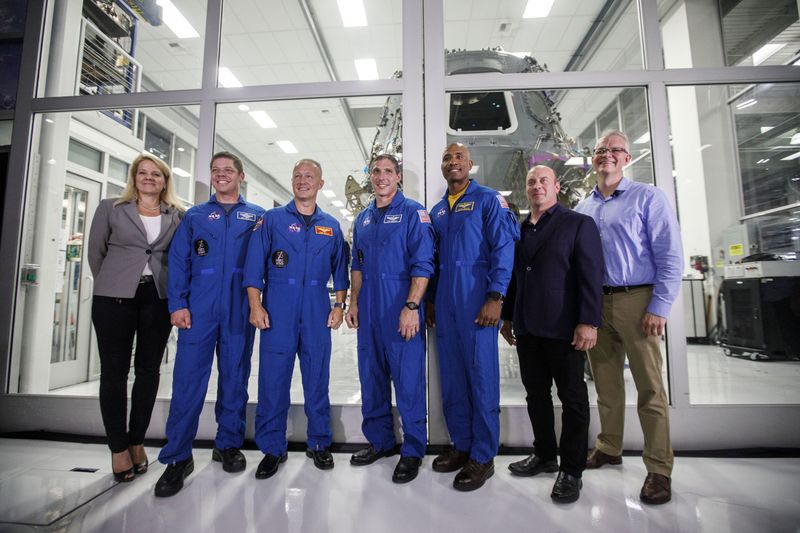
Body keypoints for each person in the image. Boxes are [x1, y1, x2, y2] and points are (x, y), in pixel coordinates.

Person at [574, 130, 683, 505]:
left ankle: (658, 468)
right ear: (594, 158)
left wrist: (660, 306)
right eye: (601, 150)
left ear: (627, 158)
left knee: (650, 389)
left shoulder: (648, 197)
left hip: (639, 300)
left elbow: (670, 254)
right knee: (606, 385)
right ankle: (609, 446)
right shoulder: (583, 207)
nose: (607, 155)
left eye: (614, 150)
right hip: (596, 305)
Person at [154, 151, 266, 497]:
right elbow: (179, 261)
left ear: (241, 175)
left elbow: (267, 265)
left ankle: (228, 445)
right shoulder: (195, 216)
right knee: (188, 382)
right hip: (199, 310)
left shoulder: (258, 217)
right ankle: (178, 457)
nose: (221, 175)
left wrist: (259, 305)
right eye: (215, 170)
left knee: (235, 378)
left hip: (239, 308)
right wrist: (178, 305)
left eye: (228, 170)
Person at [499, 165, 603, 503]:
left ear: (556, 187)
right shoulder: (520, 230)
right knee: (536, 396)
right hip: (528, 328)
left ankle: (572, 470)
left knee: (572, 399)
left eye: (544, 181)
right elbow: (516, 277)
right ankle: (545, 455)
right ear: (526, 190)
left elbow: (591, 276)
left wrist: (589, 321)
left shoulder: (578, 224)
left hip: (565, 329)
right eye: (531, 182)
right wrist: (508, 317)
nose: (537, 186)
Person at [243, 159, 349, 479]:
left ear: (320, 184)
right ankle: (272, 448)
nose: (303, 181)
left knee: (317, 379)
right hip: (278, 308)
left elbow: (340, 271)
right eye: (298, 176)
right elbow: (253, 267)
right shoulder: (272, 220)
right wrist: (255, 305)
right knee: (273, 381)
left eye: (309, 177)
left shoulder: (330, 225)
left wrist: (339, 306)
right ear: (292, 182)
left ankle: (319, 443)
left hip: (316, 309)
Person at [427, 143, 519, 491]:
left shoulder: (488, 200)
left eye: (459, 157)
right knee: (451, 378)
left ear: (470, 164)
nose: (453, 162)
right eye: (447, 157)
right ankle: (462, 445)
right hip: (446, 309)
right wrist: (432, 302)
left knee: (481, 379)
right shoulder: (436, 212)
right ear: (442, 166)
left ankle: (483, 455)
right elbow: (432, 263)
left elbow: (504, 249)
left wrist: (496, 297)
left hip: (478, 303)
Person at [88, 152, 184, 482]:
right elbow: (96, 253)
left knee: (148, 372)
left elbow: (177, 257)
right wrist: (114, 282)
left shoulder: (177, 214)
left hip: (157, 298)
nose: (148, 178)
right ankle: (118, 449)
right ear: (134, 177)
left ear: (164, 181)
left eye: (156, 174)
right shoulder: (111, 208)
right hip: (113, 298)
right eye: (143, 173)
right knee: (114, 373)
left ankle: (137, 441)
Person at [345, 154, 435, 484]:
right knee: (372, 378)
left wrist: (411, 307)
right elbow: (357, 264)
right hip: (369, 309)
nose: (381, 177)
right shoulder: (364, 219)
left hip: (400, 305)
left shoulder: (413, 212)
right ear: (371, 177)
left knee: (408, 380)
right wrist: (354, 303)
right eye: (376, 172)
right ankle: (380, 442)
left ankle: (412, 450)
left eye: (388, 171)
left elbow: (423, 265)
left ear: (398, 177)